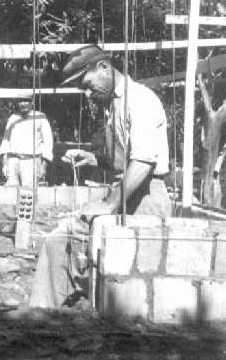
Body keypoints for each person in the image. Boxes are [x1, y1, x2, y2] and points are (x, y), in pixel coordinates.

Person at [29, 44, 171, 308]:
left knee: (128, 280)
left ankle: (55, 311)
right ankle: (46, 312)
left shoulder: (140, 100)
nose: (87, 93)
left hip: (146, 199)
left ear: (104, 67)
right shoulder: (113, 106)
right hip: (127, 194)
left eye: (87, 84)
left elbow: (143, 164)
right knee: (60, 240)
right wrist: (94, 159)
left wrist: (108, 205)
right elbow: (122, 161)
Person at [0, 92, 53, 187]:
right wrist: (5, 164)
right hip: (13, 161)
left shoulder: (40, 117)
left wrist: (43, 166)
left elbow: (48, 143)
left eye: (26, 101)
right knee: (11, 192)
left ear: (32, 102)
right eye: (20, 101)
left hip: (31, 162)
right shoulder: (13, 118)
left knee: (28, 192)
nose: (23, 103)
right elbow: (5, 142)